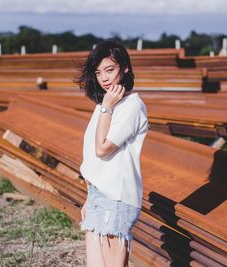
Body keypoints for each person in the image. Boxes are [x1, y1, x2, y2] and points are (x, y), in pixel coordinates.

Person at [76, 40, 148, 267]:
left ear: (124, 68)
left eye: (110, 70)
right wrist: (90, 195)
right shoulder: (104, 106)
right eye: (98, 72)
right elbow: (92, 156)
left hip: (117, 198)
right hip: (99, 196)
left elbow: (102, 148)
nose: (104, 78)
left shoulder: (131, 106)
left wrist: (107, 107)